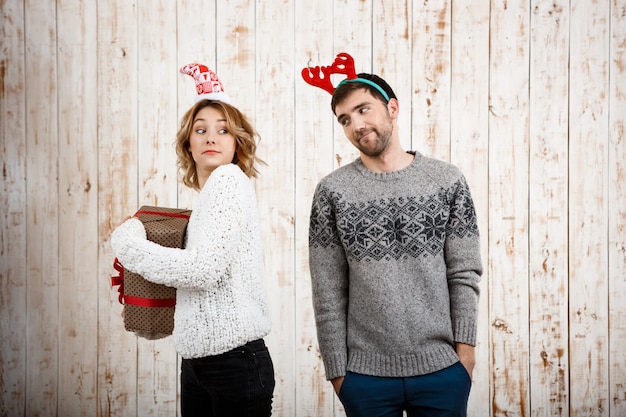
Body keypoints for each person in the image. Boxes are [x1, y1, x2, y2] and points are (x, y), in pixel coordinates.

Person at [304, 54, 482, 417]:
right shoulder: (332, 191)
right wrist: (339, 373)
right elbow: (327, 289)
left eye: (364, 110)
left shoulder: (447, 181)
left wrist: (464, 358)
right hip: (364, 379)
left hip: (443, 371)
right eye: (345, 119)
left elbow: (464, 272)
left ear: (392, 108)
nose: (357, 124)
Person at [111, 63, 275, 416]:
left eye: (223, 130)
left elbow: (202, 270)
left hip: (233, 361)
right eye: (201, 130)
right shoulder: (206, 199)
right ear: (188, 142)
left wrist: (129, 244)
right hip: (199, 362)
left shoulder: (229, 180)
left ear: (237, 142)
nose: (211, 137)